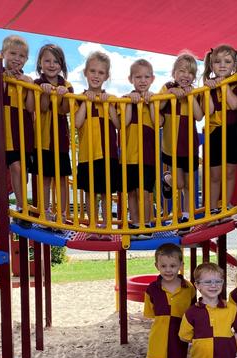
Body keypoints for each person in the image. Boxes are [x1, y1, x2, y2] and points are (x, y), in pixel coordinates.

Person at [0, 35, 35, 227]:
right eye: (12, 53)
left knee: (21, 170)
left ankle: (22, 207)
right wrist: (4, 78)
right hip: (3, 133)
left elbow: (30, 107)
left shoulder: (27, 79)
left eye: (22, 55)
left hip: (22, 133)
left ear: (26, 60)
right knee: (8, 170)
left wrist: (27, 84)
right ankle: (16, 208)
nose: (17, 58)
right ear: (2, 54)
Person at [74, 51, 121, 241]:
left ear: (106, 77)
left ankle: (107, 226)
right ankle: (93, 225)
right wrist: (87, 101)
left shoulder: (111, 99)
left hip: (108, 153)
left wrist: (108, 104)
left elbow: (118, 124)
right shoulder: (79, 99)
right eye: (92, 71)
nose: (96, 76)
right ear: (85, 73)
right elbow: (77, 123)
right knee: (90, 192)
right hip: (88, 154)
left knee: (105, 192)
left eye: (101, 73)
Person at [159, 52, 204, 234]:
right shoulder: (167, 87)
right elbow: (158, 106)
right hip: (172, 146)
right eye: (182, 71)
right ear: (174, 73)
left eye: (190, 73)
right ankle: (167, 178)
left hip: (190, 146)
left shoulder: (194, 93)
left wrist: (190, 96)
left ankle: (186, 217)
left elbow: (199, 116)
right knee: (178, 183)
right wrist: (170, 94)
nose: (186, 75)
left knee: (187, 184)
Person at [33, 44, 74, 227]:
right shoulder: (36, 83)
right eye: (47, 61)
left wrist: (63, 95)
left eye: (56, 61)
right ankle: (45, 212)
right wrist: (45, 93)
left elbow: (65, 110)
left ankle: (63, 213)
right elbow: (41, 108)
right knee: (46, 178)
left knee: (62, 177)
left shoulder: (67, 85)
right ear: (40, 63)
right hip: (42, 140)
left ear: (62, 64)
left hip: (61, 139)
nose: (51, 65)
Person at [121, 59, 161, 239]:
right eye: (138, 77)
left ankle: (146, 225)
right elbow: (124, 122)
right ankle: (135, 224)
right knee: (131, 192)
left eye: (146, 77)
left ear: (152, 79)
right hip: (129, 156)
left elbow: (158, 122)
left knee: (145, 192)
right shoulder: (125, 100)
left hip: (147, 157)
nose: (142, 80)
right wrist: (131, 102)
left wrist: (151, 103)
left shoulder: (156, 101)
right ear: (131, 79)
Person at [178, 262, 237, 358]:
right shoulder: (191, 313)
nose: (213, 285)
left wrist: (230, 340)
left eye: (218, 281)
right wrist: (202, 343)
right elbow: (184, 337)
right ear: (197, 285)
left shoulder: (231, 308)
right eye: (208, 282)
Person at [202, 44, 237, 215]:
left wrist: (223, 86)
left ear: (234, 65)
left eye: (227, 61)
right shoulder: (208, 87)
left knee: (230, 171)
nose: (222, 65)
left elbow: (234, 104)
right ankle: (211, 208)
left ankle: (224, 205)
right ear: (212, 66)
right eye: (217, 62)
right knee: (215, 174)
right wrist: (207, 90)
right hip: (214, 132)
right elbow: (209, 111)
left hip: (232, 130)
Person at [144, 243, 196, 358]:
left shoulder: (188, 288)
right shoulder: (151, 289)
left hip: (179, 343)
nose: (168, 270)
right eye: (163, 266)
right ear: (157, 266)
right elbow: (151, 314)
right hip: (157, 344)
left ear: (181, 265)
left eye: (173, 266)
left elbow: (192, 313)